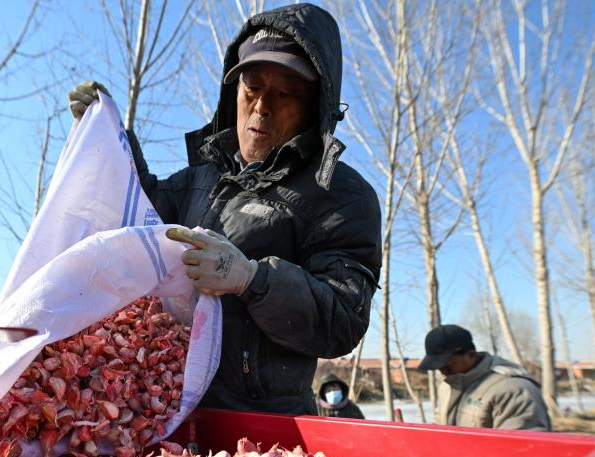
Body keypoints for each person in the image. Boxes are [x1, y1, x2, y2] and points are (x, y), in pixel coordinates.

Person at [68, 4, 381, 415]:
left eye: (285, 93)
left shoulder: (340, 195)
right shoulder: (199, 179)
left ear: (315, 105)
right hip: (166, 411)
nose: (262, 106)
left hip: (266, 429)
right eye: (251, 87)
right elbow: (140, 215)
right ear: (232, 91)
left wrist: (251, 278)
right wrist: (110, 140)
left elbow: (341, 320)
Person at [417, 324, 551, 431]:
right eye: (438, 367)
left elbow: (521, 450)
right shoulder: (448, 384)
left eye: (447, 364)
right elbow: (441, 424)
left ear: (470, 354)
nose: (443, 371)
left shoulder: (513, 390)